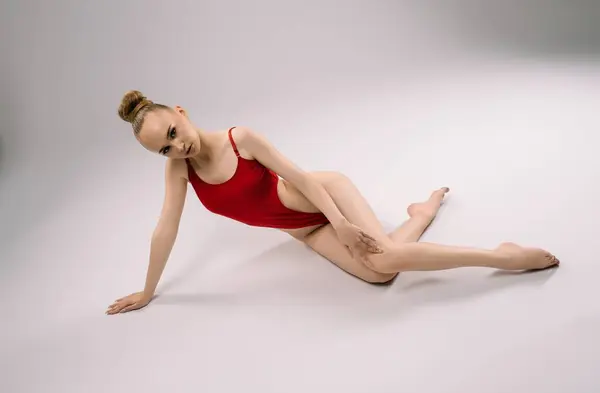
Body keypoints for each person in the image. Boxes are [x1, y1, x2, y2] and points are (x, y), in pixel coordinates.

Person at [106, 90, 559, 315]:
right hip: (306, 229)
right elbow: (166, 226)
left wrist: (341, 222)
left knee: (389, 258)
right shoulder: (180, 172)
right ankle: (420, 215)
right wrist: (147, 292)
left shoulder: (238, 138)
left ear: (180, 115)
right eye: (163, 149)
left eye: (171, 134)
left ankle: (502, 256)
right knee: (381, 274)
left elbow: (300, 176)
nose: (175, 148)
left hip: (326, 197)